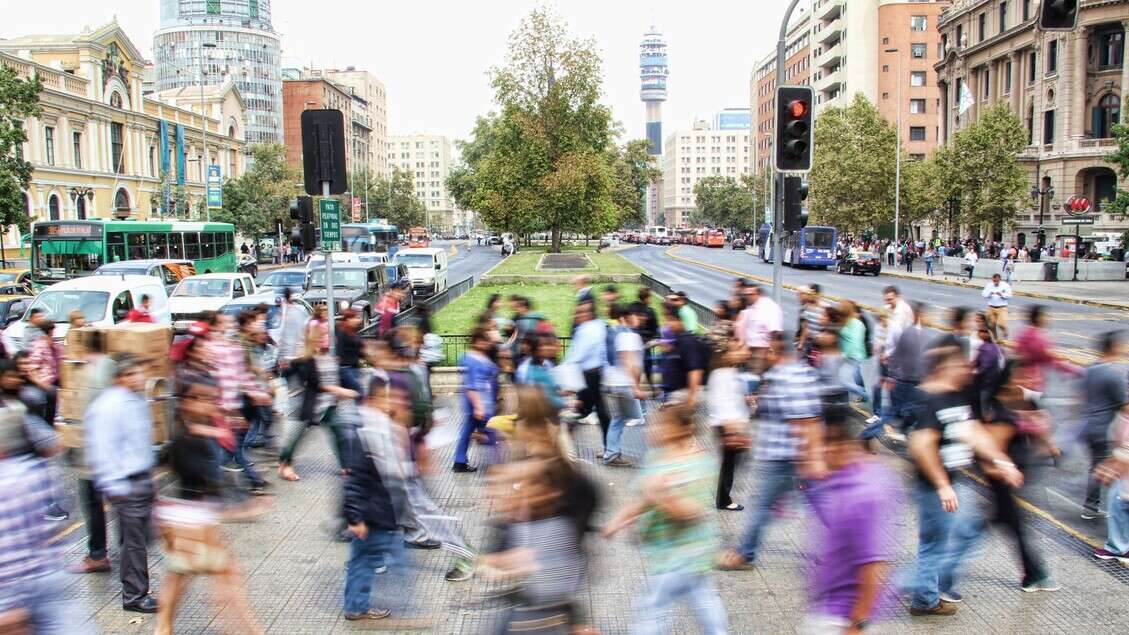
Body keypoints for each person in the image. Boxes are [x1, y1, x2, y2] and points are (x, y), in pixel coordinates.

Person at [906, 345, 1023, 617]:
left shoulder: (956, 397)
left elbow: (973, 432)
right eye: (961, 366)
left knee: (965, 532)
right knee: (936, 543)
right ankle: (923, 596)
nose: (968, 370)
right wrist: (942, 484)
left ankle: (929, 588)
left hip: (953, 481)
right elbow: (922, 444)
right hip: (936, 486)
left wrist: (1002, 461)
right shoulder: (930, 399)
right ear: (945, 369)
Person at [603, 404, 729, 635]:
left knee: (653, 607)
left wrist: (663, 497)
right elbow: (644, 499)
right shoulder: (656, 457)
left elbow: (694, 512)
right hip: (677, 553)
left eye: (659, 425)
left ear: (681, 430)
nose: (650, 430)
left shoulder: (698, 463)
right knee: (704, 599)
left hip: (681, 553)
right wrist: (620, 519)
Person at [155, 380, 263, 635]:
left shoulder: (196, 433)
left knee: (179, 576)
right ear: (188, 403)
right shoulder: (187, 438)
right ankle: (248, 630)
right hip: (191, 521)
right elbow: (202, 479)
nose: (212, 405)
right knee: (226, 579)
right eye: (205, 400)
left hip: (187, 518)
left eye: (213, 400)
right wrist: (240, 508)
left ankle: (162, 627)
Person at [719, 332, 824, 570]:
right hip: (788, 456)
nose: (763, 353)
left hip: (785, 458)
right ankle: (840, 551)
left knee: (762, 506)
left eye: (767, 349)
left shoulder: (788, 377)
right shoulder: (795, 372)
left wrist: (811, 459)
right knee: (816, 505)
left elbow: (805, 421)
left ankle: (746, 555)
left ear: (776, 352)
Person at [803, 399, 899, 633]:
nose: (816, 453)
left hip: (841, 617)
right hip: (833, 606)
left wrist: (858, 623)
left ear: (840, 446)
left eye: (821, 444)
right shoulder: (863, 476)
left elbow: (874, 564)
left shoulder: (860, 496)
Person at [0, 410, 90, 633]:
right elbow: (58, 519)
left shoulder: (5, 482)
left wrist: (9, 603)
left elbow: (8, 549)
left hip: (18, 588)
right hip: (51, 576)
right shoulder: (39, 471)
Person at [84, 354, 160, 613]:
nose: (141, 377)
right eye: (135, 373)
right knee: (134, 543)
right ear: (122, 377)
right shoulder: (109, 406)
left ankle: (137, 587)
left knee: (138, 539)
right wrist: (116, 486)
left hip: (141, 479)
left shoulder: (136, 400)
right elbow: (103, 449)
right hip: (126, 484)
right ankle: (135, 596)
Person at [341, 372, 402, 621]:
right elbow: (354, 479)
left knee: (363, 559)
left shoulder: (375, 426)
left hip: (373, 508)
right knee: (363, 560)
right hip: (369, 510)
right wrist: (355, 517)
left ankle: (356, 605)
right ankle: (356, 606)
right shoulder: (366, 431)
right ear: (376, 398)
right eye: (388, 398)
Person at [66, 330, 117, 575]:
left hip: (95, 455)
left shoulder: (88, 373)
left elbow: (85, 416)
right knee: (117, 501)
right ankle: (127, 548)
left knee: (92, 502)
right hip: (114, 452)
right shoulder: (113, 367)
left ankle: (98, 555)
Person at [1079, 331, 1127, 520]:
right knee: (1110, 468)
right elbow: (1125, 407)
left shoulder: (1090, 368)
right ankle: (1097, 507)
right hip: (1104, 429)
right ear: (1114, 348)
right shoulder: (1113, 375)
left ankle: (1091, 506)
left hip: (1089, 425)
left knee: (1097, 466)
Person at [708, 338, 751, 511]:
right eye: (735, 350)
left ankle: (724, 496)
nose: (741, 352)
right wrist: (730, 428)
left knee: (731, 462)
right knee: (729, 464)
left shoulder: (728, 372)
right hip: (727, 425)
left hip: (731, 424)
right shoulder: (722, 374)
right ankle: (724, 500)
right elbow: (720, 402)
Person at [601, 304, 646, 467]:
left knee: (618, 418)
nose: (639, 319)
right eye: (636, 315)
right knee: (636, 418)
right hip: (623, 383)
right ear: (628, 317)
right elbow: (628, 361)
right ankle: (612, 453)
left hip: (612, 382)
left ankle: (610, 452)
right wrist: (635, 387)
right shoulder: (627, 335)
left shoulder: (615, 332)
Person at [563, 300, 610, 452]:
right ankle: (608, 448)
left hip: (594, 375)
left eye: (583, 312)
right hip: (588, 375)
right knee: (593, 411)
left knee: (591, 411)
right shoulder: (588, 329)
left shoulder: (595, 327)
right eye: (579, 312)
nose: (580, 315)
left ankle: (608, 448)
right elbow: (576, 355)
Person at [452, 326, 499, 473]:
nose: (488, 344)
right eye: (486, 341)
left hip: (479, 402)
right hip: (480, 402)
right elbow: (472, 385)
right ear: (478, 341)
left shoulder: (475, 357)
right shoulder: (474, 360)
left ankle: (460, 460)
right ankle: (494, 464)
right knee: (491, 430)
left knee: (468, 430)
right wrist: (479, 406)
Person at [658, 303, 705, 408]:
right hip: (678, 393)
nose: (668, 324)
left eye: (671, 320)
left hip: (684, 394)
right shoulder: (678, 340)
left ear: (680, 321)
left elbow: (695, 370)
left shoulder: (687, 341)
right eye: (667, 320)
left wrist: (691, 398)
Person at [982, 273, 1012, 341]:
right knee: (991, 325)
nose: (995, 282)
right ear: (992, 280)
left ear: (1000, 280)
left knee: (1001, 324)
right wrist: (990, 293)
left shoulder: (1005, 285)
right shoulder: (989, 285)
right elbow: (983, 294)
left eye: (997, 281)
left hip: (1002, 307)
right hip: (991, 307)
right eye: (994, 281)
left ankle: (1005, 332)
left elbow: (1010, 295)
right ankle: (995, 339)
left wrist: (1002, 294)